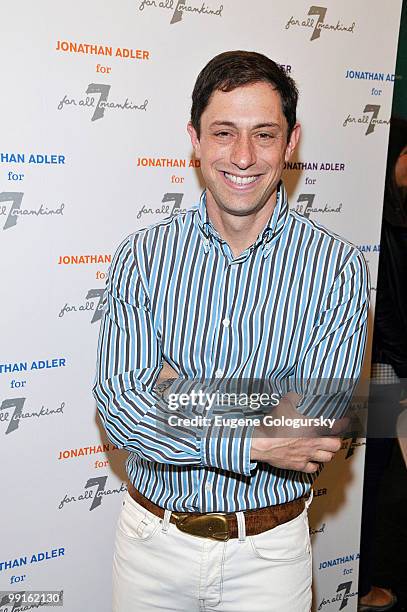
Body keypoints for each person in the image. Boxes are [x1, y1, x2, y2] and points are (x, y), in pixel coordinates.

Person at [93, 50, 369, 612]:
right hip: (151, 547)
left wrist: (177, 392)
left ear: (291, 143)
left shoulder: (338, 267)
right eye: (224, 132)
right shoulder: (142, 258)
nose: (243, 156)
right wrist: (252, 435)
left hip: (268, 556)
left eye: (264, 134)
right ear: (194, 139)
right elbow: (121, 407)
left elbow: (311, 424)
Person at [358, 117, 407, 612]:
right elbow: (389, 311)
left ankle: (359, 580)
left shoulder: (387, 212)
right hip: (382, 371)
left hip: (383, 368)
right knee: (371, 481)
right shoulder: (382, 219)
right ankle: (359, 585)